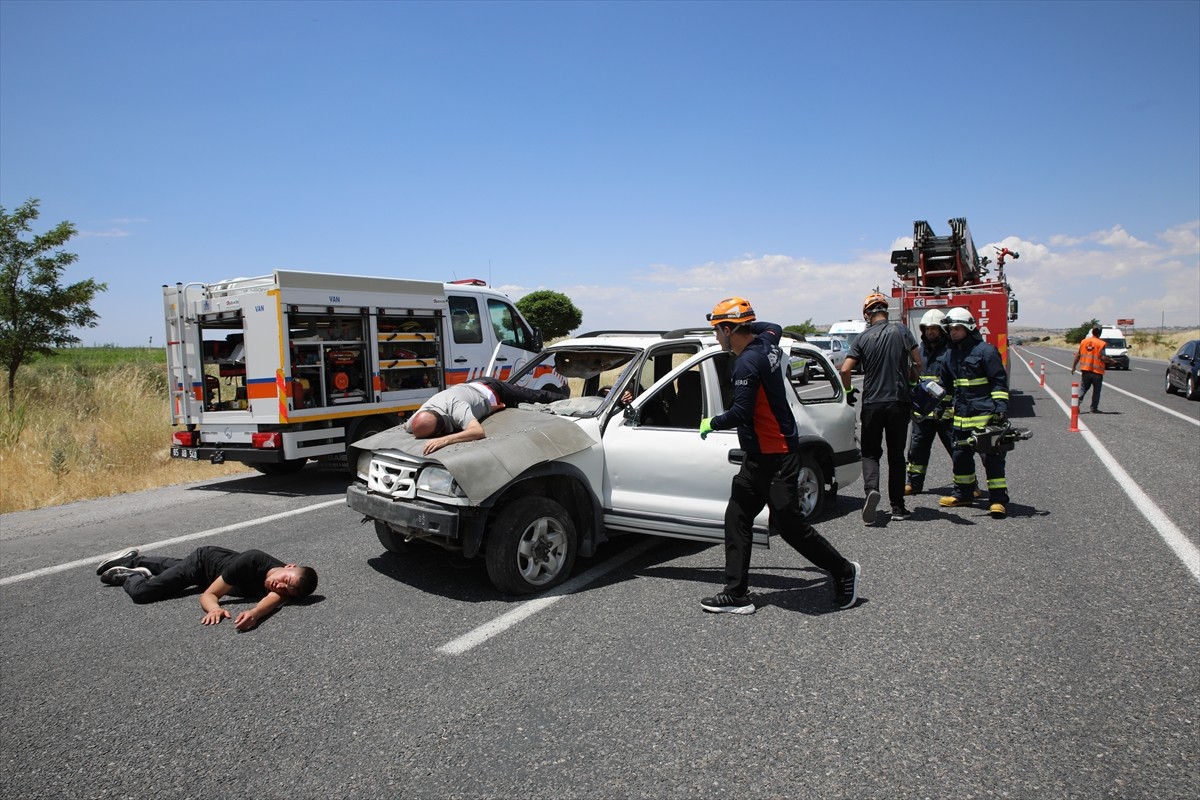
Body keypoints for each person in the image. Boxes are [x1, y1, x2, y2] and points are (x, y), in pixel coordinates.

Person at [697, 296, 860, 615]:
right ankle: (736, 594)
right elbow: (774, 326)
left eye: (718, 330)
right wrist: (745, 322)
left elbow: (741, 412)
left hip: (777, 455)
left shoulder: (747, 362)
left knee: (790, 527)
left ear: (730, 330)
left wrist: (711, 422)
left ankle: (844, 571)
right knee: (737, 516)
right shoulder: (767, 342)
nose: (716, 337)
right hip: (757, 455)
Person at [96, 546, 318, 631]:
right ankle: (128, 576)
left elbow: (270, 604)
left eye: (288, 590)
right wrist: (214, 609)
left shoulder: (283, 589)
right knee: (143, 594)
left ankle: (134, 559)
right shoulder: (253, 560)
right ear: (289, 565)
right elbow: (209, 594)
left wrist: (253, 614)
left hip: (215, 571)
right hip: (202, 566)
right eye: (285, 580)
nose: (279, 586)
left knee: (169, 569)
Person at [840, 292, 921, 524]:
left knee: (870, 452)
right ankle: (898, 507)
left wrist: (847, 392)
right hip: (898, 402)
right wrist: (913, 383)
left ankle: (871, 491)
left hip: (873, 403)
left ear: (867, 314)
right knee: (896, 456)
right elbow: (918, 362)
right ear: (886, 311)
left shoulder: (863, 338)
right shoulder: (903, 331)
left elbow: (845, 370)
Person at [939, 307, 1011, 518]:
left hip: (985, 417)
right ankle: (963, 495)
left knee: (992, 459)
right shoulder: (949, 355)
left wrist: (1000, 410)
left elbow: (998, 382)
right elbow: (945, 386)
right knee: (961, 458)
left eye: (957, 328)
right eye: (950, 329)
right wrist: (939, 407)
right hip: (960, 419)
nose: (953, 332)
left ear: (969, 327)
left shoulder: (986, 351)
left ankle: (998, 500)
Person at [406, 376, 565, 455]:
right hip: (470, 387)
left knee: (533, 396)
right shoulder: (418, 418)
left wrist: (445, 440)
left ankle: (567, 399)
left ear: (440, 429)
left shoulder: (456, 408)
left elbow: (477, 432)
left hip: (492, 388)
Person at [905, 309, 955, 496]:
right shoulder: (919, 352)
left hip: (946, 413)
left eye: (934, 328)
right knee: (917, 450)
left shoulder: (951, 351)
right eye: (927, 328)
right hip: (923, 413)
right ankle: (914, 484)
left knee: (956, 450)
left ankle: (969, 485)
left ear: (942, 330)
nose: (930, 332)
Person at [1071, 326, 1113, 413]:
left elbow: (1078, 355)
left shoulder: (1084, 341)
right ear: (1100, 333)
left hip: (1085, 370)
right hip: (1097, 372)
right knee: (1096, 391)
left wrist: (1074, 367)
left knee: (1083, 389)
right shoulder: (1101, 344)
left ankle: (1076, 404)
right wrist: (1111, 361)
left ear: (1092, 332)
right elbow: (1103, 357)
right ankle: (1094, 408)